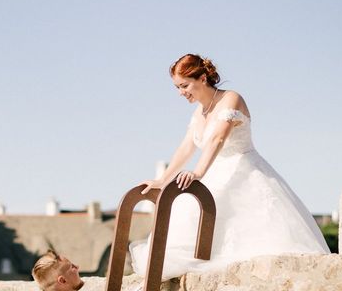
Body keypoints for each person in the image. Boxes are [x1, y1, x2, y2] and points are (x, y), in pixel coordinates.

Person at [130, 54, 329, 279]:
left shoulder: (231, 99)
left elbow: (218, 139)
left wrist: (198, 173)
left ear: (203, 78)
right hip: (214, 174)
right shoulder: (198, 113)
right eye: (177, 87)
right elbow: (186, 148)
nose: (181, 92)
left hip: (244, 170)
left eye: (184, 85)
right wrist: (163, 179)